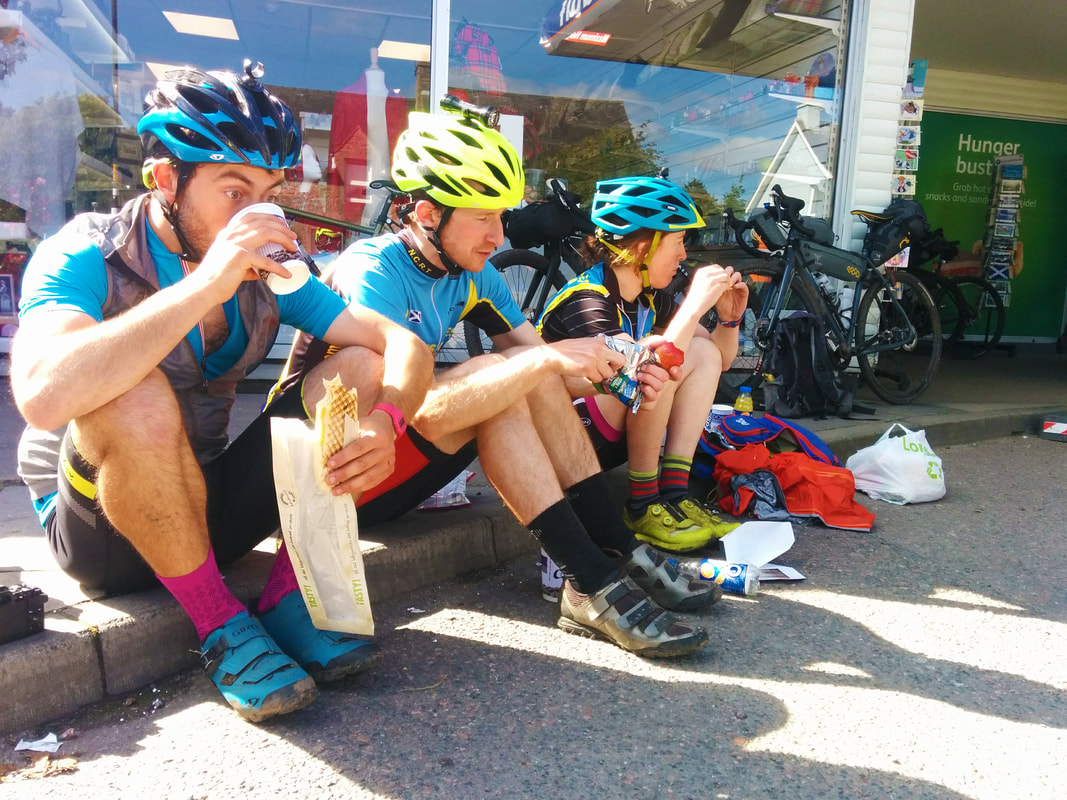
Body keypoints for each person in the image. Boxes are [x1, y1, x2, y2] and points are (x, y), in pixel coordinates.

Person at [10, 61, 434, 723]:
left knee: (354, 365)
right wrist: (207, 282)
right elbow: (41, 394)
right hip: (101, 529)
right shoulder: (88, 251)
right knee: (132, 389)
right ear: (166, 180)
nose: (258, 214)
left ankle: (290, 596)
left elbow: (402, 345)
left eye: (269, 192)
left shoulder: (274, 270)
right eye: (235, 190)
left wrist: (387, 421)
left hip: (205, 501)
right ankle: (219, 623)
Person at [278, 109, 720, 660]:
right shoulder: (374, 267)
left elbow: (549, 369)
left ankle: (611, 553)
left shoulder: (476, 274)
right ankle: (591, 575)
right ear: (428, 213)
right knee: (504, 373)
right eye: (484, 217)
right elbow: (409, 403)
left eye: (502, 216)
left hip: (394, 467)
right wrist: (542, 362)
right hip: (330, 475)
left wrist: (622, 372)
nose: (499, 234)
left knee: (520, 371)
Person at [537, 175, 749, 552]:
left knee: (698, 352)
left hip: (607, 434)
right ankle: (643, 504)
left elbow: (719, 358)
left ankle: (674, 495)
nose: (683, 255)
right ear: (642, 247)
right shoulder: (587, 299)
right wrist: (693, 306)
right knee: (654, 363)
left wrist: (729, 320)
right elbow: (631, 377)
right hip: (561, 444)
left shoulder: (648, 297)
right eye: (678, 242)